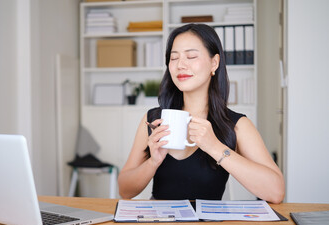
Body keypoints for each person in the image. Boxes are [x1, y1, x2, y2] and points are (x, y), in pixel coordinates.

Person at [117, 23, 285, 204]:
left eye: (191, 56)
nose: (180, 65)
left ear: (214, 63)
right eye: (174, 58)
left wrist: (214, 147)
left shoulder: (236, 125)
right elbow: (125, 190)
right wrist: (153, 162)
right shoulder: (153, 120)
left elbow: (275, 192)